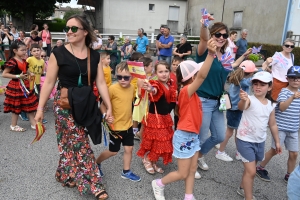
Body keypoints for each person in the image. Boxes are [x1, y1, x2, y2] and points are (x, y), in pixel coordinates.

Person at [34, 14, 111, 200]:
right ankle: (94, 183)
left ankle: (64, 174)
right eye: (67, 28)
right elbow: (50, 82)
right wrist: (40, 108)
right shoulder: (57, 53)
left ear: (85, 31)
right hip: (65, 104)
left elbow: (100, 83)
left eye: (74, 28)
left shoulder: (94, 55)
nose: (69, 31)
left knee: (68, 141)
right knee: (79, 141)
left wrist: (108, 106)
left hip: (85, 103)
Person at [151, 40, 216, 200]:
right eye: (196, 74)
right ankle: (158, 184)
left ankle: (188, 195)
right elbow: (202, 76)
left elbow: (200, 77)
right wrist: (211, 55)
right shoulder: (186, 90)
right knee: (182, 172)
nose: (199, 77)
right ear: (191, 77)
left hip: (193, 136)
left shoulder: (191, 92)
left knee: (192, 169)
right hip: (184, 137)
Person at [196, 18, 252, 175]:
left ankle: (199, 156)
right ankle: (191, 164)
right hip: (203, 100)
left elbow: (232, 67)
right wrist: (203, 25)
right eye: (217, 34)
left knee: (219, 136)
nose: (221, 37)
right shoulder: (205, 51)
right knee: (200, 137)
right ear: (212, 35)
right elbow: (203, 39)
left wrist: (245, 56)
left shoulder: (225, 55)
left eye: (224, 35)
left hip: (218, 102)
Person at [236, 71, 282, 200]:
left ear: (270, 87)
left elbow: (272, 124)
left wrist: (277, 142)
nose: (258, 87)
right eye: (255, 84)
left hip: (260, 141)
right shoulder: (249, 99)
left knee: (249, 169)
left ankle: (241, 188)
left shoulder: (271, 105)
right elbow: (242, 107)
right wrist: (243, 100)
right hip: (244, 140)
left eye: (262, 84)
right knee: (252, 171)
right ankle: (248, 197)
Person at [96, 61, 141, 182]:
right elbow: (102, 106)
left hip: (128, 126)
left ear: (131, 77)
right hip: (115, 127)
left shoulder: (132, 88)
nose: (122, 80)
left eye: (126, 77)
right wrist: (106, 115)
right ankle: (96, 163)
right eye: (119, 76)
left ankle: (126, 171)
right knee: (113, 151)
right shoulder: (112, 89)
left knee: (129, 149)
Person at [256, 66, 300, 183]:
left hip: (294, 129)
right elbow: (282, 107)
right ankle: (260, 167)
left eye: (298, 78)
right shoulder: (284, 92)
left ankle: (289, 176)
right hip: (280, 127)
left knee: (294, 153)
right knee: (275, 150)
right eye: (293, 77)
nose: (296, 80)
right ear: (287, 79)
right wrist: (292, 97)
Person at [137, 61, 177, 174]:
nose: (163, 74)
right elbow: (154, 90)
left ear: (169, 72)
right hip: (156, 119)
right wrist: (150, 88)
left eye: (166, 71)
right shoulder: (156, 84)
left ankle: (153, 161)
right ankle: (147, 160)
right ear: (156, 73)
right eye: (160, 72)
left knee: (160, 142)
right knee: (160, 142)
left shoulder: (169, 84)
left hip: (165, 118)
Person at [215, 60, 259, 162]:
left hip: (234, 109)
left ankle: (238, 152)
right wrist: (264, 67)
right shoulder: (244, 82)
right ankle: (220, 152)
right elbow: (252, 81)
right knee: (230, 132)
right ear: (251, 73)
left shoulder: (238, 78)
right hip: (236, 110)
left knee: (237, 132)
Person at [2, 41, 38, 132]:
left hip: (25, 85)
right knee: (16, 106)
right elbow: (4, 74)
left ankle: (33, 123)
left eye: (25, 50)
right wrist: (18, 76)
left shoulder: (24, 60)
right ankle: (13, 125)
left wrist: (30, 73)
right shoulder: (12, 61)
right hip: (16, 86)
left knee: (29, 103)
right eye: (22, 50)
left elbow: (26, 70)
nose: (25, 52)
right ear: (15, 50)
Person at [132, 57, 156, 141]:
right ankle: (135, 133)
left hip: (144, 101)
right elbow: (139, 93)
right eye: (151, 66)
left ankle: (138, 132)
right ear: (145, 67)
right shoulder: (141, 78)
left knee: (141, 117)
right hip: (142, 101)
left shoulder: (145, 77)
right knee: (138, 117)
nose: (152, 68)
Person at [26, 44, 47, 123]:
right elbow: (24, 68)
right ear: (31, 52)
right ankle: (24, 114)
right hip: (29, 83)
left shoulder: (42, 61)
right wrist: (29, 72)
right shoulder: (29, 59)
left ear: (40, 51)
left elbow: (41, 72)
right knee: (29, 99)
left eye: (38, 50)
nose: (36, 52)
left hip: (37, 83)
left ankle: (37, 116)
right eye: (34, 51)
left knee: (36, 100)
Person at [170, 56, 183, 130]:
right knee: (167, 114)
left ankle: (177, 130)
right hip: (170, 99)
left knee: (177, 115)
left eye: (177, 65)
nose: (175, 66)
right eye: (173, 64)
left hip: (178, 99)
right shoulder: (168, 74)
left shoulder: (182, 75)